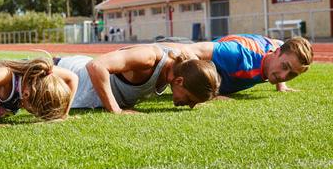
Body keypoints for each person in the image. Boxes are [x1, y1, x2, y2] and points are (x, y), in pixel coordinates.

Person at [57, 44, 220, 112]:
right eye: (191, 99)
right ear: (179, 81)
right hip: (63, 75)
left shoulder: (183, 67)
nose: (190, 106)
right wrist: (117, 111)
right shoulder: (149, 58)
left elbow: (199, 67)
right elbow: (96, 67)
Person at [162, 35, 313, 95]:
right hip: (179, 47)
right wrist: (209, 93)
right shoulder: (238, 55)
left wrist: (282, 86)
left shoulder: (280, 49)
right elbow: (187, 50)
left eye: (292, 74)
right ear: (277, 52)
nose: (283, 76)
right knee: (152, 56)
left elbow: (282, 46)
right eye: (285, 67)